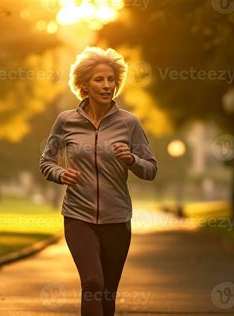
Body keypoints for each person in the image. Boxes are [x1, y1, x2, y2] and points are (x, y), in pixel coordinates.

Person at [39, 46, 158, 315]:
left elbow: (151, 169)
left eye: (111, 79)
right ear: (84, 85)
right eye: (99, 79)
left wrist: (131, 160)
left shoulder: (129, 123)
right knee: (92, 282)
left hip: (116, 219)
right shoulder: (66, 121)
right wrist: (60, 173)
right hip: (78, 216)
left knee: (107, 292)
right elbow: (46, 162)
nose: (107, 85)